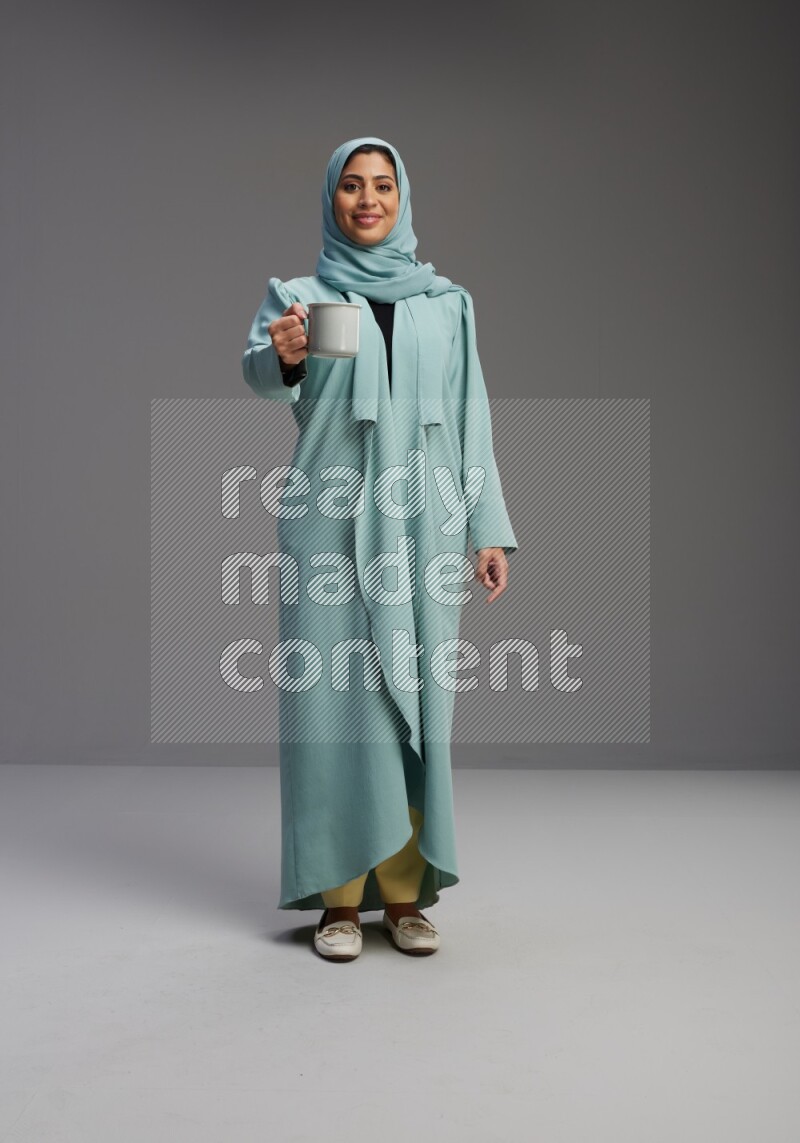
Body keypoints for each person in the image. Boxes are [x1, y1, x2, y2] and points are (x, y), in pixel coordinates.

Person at [241, 136, 517, 962]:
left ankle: (403, 899)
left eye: (383, 186)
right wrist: (281, 356)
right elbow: (268, 372)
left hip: (424, 524)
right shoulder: (309, 299)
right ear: (331, 199)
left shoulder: (445, 306)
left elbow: (473, 420)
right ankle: (337, 901)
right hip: (329, 519)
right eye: (352, 186)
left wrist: (487, 527)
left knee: (416, 708)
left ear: (403, 198)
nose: (368, 199)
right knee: (334, 712)